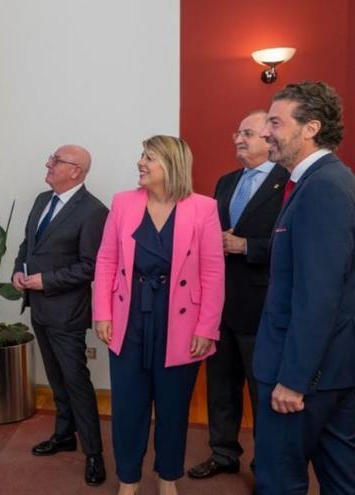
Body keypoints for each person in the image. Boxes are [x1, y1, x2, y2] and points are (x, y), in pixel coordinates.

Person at [93, 135, 224, 495]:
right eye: (142, 155)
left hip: (181, 321)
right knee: (128, 405)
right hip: (129, 317)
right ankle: (128, 480)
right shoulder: (122, 203)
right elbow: (106, 261)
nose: (140, 162)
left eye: (149, 157)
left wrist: (207, 327)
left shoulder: (204, 208)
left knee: (172, 407)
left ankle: (168, 479)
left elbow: (213, 272)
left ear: (171, 165)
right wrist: (102, 313)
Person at [253, 81, 355, 494]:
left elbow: (318, 296)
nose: (266, 133)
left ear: (310, 127)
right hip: (329, 371)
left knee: (279, 481)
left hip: (303, 377)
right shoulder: (327, 181)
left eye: (276, 122)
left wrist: (294, 379)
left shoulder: (323, 188)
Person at [188, 111, 289, 480]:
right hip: (220, 306)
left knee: (261, 393)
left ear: (269, 138)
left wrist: (247, 246)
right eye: (237, 133)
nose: (238, 139)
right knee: (220, 387)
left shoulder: (289, 183)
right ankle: (223, 453)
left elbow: (294, 245)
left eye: (247, 133)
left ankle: (267, 467)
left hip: (262, 307)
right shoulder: (226, 182)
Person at [12, 144, 109, 486]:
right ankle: (64, 434)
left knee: (76, 382)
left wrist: (46, 281)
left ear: (76, 172)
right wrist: (17, 271)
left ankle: (94, 453)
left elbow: (90, 267)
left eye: (56, 161)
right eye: (51, 158)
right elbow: (28, 245)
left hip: (67, 312)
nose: (48, 164)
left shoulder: (94, 211)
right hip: (38, 307)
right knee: (56, 379)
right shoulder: (42, 200)